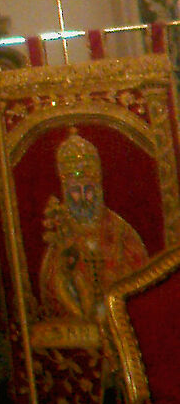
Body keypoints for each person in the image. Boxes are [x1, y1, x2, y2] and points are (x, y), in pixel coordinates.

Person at [36, 128, 148, 323]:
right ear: (66, 192)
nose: (83, 198)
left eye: (88, 189)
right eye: (75, 191)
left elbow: (141, 276)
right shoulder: (62, 233)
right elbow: (53, 290)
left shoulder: (120, 231)